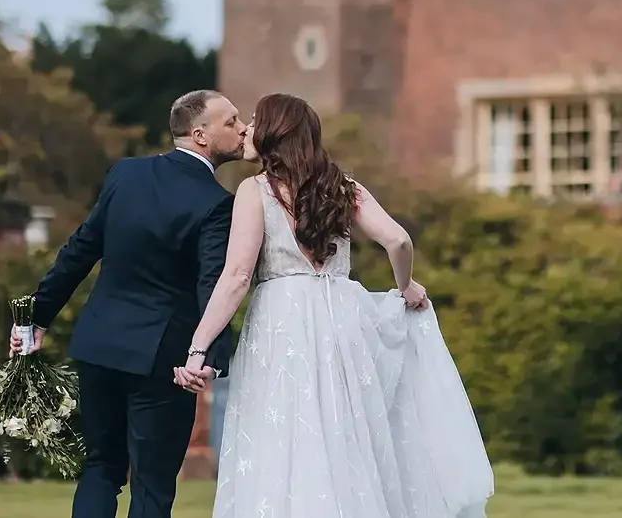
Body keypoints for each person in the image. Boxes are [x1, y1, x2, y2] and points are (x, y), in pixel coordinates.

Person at [174, 92, 492, 518]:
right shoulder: (344, 187)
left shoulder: (256, 191)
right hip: (343, 315)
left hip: (281, 318)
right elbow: (397, 240)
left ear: (274, 133)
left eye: (254, 120)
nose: (247, 127)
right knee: (345, 430)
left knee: (284, 432)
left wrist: (198, 346)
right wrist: (407, 284)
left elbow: (236, 278)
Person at [12, 90, 246, 518]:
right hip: (162, 361)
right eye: (231, 121)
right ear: (200, 134)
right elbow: (213, 285)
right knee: (153, 486)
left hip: (98, 345)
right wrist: (208, 356)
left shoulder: (126, 173)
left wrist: (36, 318)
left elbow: (80, 249)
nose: (243, 127)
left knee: (101, 467)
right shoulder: (217, 204)